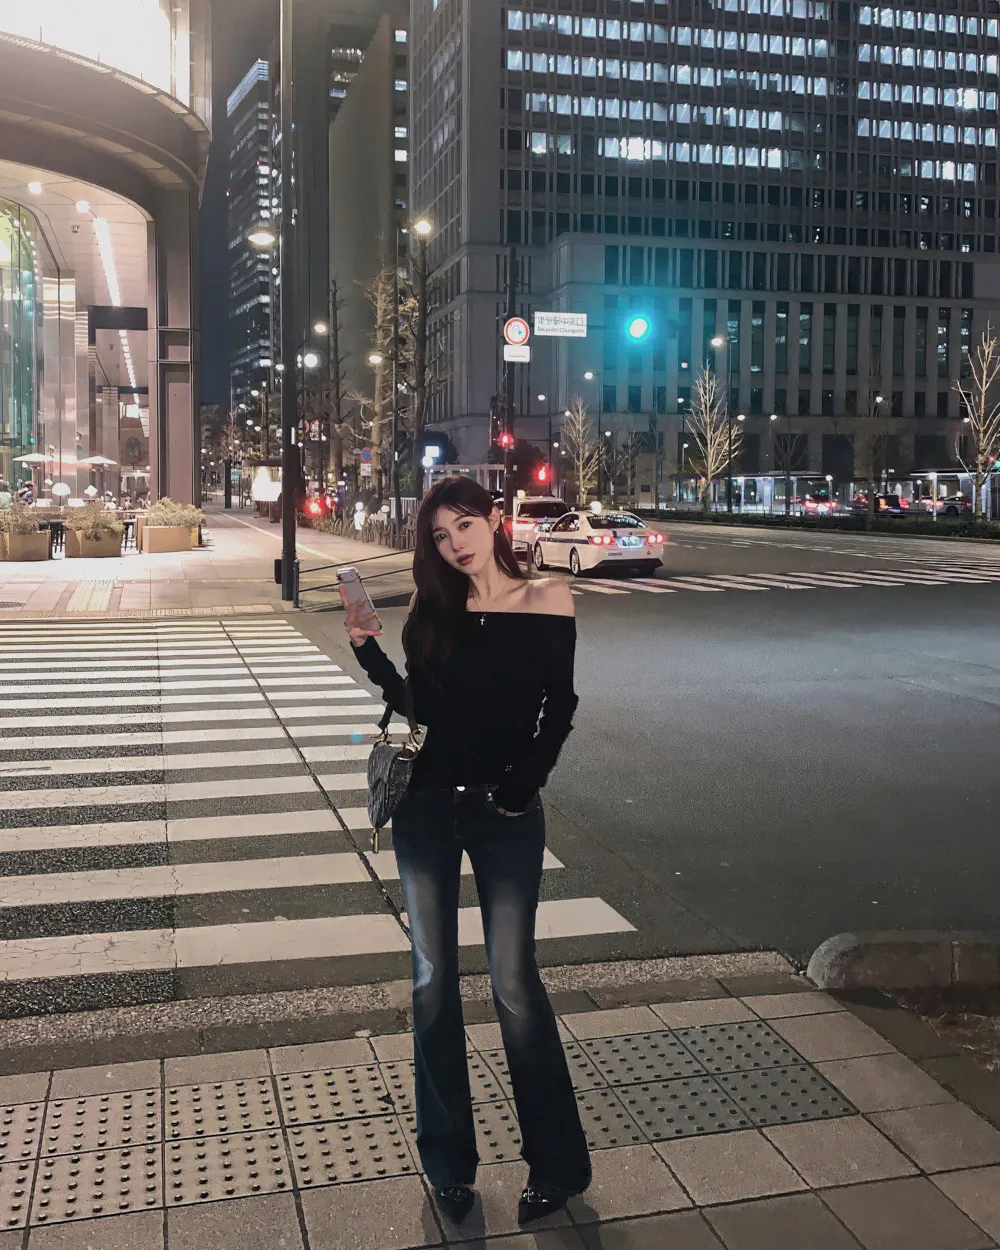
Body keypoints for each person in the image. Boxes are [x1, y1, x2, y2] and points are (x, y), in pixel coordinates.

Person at [342, 475, 591, 1227]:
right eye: (440, 537)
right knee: (432, 983)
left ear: (494, 520)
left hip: (504, 817)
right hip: (427, 810)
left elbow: (559, 707)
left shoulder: (547, 599)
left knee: (515, 984)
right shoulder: (433, 606)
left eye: (464, 526)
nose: (454, 545)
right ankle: (448, 1166)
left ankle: (557, 1167)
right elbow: (421, 710)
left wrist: (522, 787)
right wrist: (368, 654)